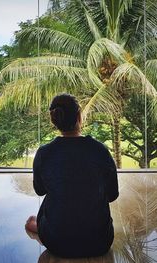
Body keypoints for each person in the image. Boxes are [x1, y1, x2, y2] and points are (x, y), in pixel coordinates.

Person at [25, 93, 119, 258]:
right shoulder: (100, 150)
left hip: (56, 243)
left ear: (54, 120)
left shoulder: (44, 153)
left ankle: (42, 228)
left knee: (31, 221)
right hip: (100, 241)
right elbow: (112, 195)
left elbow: (40, 190)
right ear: (79, 116)